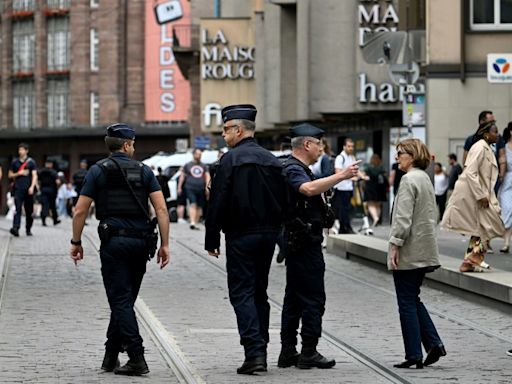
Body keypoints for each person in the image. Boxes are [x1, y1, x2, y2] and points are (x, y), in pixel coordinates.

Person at [70, 123, 170, 376]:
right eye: (133, 143)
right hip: (140, 243)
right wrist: (165, 244)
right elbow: (160, 209)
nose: (134, 147)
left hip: (114, 243)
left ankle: (136, 356)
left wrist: (76, 241)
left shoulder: (97, 171)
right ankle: (110, 355)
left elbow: (80, 209)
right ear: (126, 145)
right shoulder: (144, 170)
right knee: (125, 300)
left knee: (120, 300)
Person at [205, 104, 287, 375]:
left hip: (240, 235)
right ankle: (261, 345)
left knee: (241, 292)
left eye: (226, 130)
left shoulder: (229, 161)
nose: (224, 135)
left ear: (239, 130)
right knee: (259, 291)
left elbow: (218, 201)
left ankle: (255, 353)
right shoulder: (272, 160)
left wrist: (212, 238)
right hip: (267, 235)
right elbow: (285, 200)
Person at [278, 124, 360, 370]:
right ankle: (308, 351)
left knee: (293, 297)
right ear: (307, 145)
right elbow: (307, 189)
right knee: (313, 298)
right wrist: (341, 176)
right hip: (304, 242)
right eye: (319, 144)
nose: (321, 149)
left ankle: (288, 351)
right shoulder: (293, 168)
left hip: (298, 240)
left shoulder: (297, 168)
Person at [389, 138, 446, 369]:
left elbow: (403, 218)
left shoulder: (408, 180)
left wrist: (395, 244)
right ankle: (433, 344)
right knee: (413, 298)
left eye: (400, 153)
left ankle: (414, 355)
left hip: (409, 250)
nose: (397, 157)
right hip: (424, 249)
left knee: (406, 302)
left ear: (411, 155)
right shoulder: (424, 178)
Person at [442, 120, 505, 272]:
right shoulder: (479, 147)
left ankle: (470, 262)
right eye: (494, 131)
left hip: (481, 193)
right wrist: (480, 195)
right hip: (476, 193)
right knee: (490, 226)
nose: (497, 134)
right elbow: (470, 171)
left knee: (483, 228)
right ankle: (470, 261)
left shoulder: (486, 147)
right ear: (486, 134)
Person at [8, 143, 38, 237]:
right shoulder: (14, 162)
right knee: (17, 209)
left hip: (28, 189)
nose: (20, 151)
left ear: (26, 151)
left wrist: (32, 187)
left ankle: (28, 228)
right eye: (19, 150)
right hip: (18, 189)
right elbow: (10, 175)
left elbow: (34, 175)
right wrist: (19, 173)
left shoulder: (31, 162)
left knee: (29, 211)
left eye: (22, 150)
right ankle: (16, 228)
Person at [178, 148, 210, 230]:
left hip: (201, 188)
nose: (199, 156)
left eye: (200, 154)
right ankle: (192, 221)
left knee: (199, 206)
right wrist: (179, 187)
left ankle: (195, 222)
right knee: (193, 203)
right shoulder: (188, 165)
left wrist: (207, 187)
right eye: (198, 154)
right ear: (194, 154)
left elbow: (207, 176)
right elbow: (182, 176)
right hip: (190, 187)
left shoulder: (203, 166)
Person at [333, 138, 358, 234]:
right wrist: (352, 178)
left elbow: (356, 171)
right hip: (341, 188)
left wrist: (363, 176)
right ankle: (345, 228)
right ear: (344, 146)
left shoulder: (351, 157)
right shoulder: (340, 158)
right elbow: (338, 173)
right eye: (349, 146)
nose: (351, 148)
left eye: (352, 146)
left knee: (347, 208)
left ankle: (344, 228)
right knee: (343, 209)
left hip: (349, 187)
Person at [362, 153, 388, 227]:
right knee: (377, 204)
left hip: (370, 185)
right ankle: (377, 218)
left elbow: (364, 175)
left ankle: (375, 218)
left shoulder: (368, 166)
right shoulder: (381, 167)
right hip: (379, 187)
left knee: (370, 203)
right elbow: (385, 175)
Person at [499, 122, 512, 253]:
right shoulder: (503, 146)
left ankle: (507, 241)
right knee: (507, 211)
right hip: (507, 181)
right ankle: (506, 241)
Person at [37, 159, 60, 226]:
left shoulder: (41, 171)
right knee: (53, 206)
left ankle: (43, 220)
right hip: (52, 191)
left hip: (43, 190)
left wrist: (39, 188)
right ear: (51, 164)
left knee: (45, 205)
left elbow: (38, 181)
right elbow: (57, 182)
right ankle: (55, 220)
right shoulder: (54, 172)